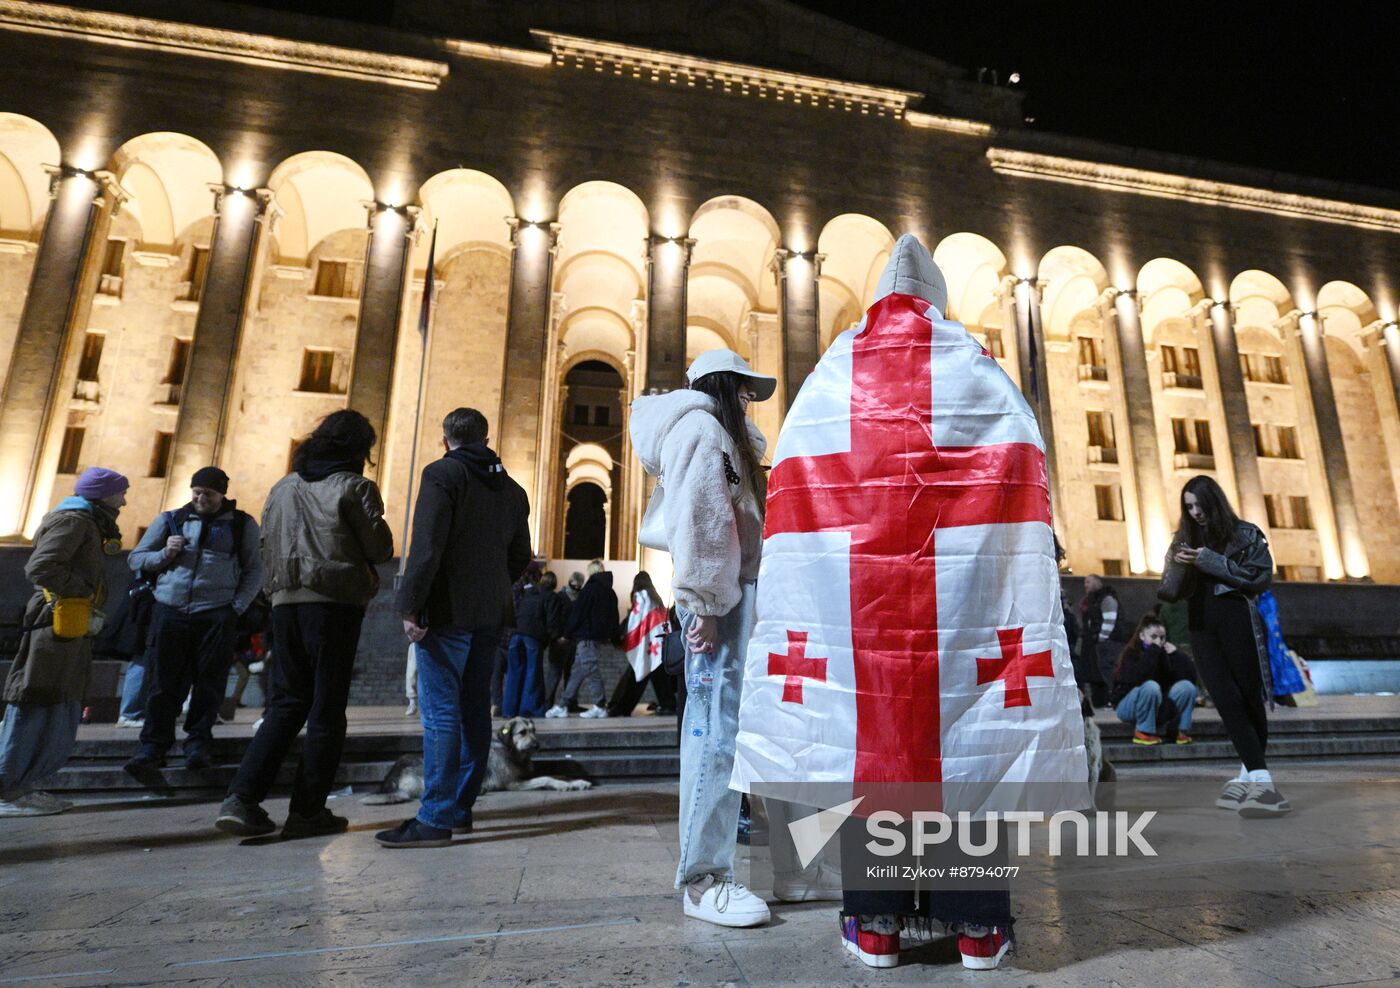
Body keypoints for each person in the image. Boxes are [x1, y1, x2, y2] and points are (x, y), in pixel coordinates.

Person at [729, 236, 1089, 969]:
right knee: (968, 739)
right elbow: (1022, 469)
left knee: (876, 740)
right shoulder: (975, 367)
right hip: (964, 604)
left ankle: (877, 924)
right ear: (937, 297)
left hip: (859, 611)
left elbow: (797, 491)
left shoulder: (833, 374)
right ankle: (978, 927)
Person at [630, 346, 776, 928]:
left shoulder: (717, 435)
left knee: (725, 732)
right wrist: (705, 606)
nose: (749, 400)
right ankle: (702, 879)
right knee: (715, 734)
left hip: (732, 599)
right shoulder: (701, 431)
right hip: (720, 603)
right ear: (722, 385)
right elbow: (702, 522)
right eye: (743, 388)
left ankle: (717, 869)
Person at [217, 410, 394, 837]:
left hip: (284, 602)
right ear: (358, 449)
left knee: (286, 702)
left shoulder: (283, 487)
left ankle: (241, 799)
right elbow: (380, 547)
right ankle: (308, 810)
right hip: (333, 602)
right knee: (327, 708)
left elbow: (264, 542)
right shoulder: (354, 487)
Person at [376, 407, 531, 848]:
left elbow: (426, 547)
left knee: (442, 714)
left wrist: (411, 605)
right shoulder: (513, 489)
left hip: (446, 613)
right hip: (491, 614)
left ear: (446, 440)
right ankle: (461, 809)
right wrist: (494, 584)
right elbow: (522, 553)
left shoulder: (442, 475)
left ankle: (435, 818)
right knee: (474, 711)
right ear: (485, 438)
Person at [0, 467, 128, 816]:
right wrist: (81, 592)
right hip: (56, 622)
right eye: (120, 492)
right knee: (36, 696)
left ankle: (26, 784)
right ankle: (8, 788)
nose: (125, 500)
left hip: (70, 624)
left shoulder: (88, 522)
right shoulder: (74, 521)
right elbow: (40, 567)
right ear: (102, 494)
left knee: (58, 699)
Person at [124, 467, 263, 775]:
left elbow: (256, 568)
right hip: (170, 609)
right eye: (196, 492)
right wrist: (164, 554)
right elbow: (136, 558)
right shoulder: (170, 520)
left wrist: (235, 608)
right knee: (163, 682)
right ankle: (153, 746)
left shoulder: (242, 525)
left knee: (209, 682)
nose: (201, 498)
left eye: (208, 494)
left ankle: (197, 743)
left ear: (222, 494)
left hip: (216, 612)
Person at [1159, 475, 1284, 816]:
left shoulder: (1246, 533)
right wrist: (1176, 562)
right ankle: (1256, 778)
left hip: (1236, 619)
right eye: (1188, 507)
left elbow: (1258, 579)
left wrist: (1209, 561)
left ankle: (1255, 778)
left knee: (1247, 694)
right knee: (1224, 696)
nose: (1195, 512)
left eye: (1199, 504)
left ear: (1214, 501)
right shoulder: (1183, 538)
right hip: (1201, 625)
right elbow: (1169, 592)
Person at [1110, 614, 1198, 745]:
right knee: (1150, 686)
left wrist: (1177, 655)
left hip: (1157, 703)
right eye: (1154, 637)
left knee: (1187, 687)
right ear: (1142, 636)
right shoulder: (1131, 654)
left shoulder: (1165, 654)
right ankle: (1143, 732)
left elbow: (1190, 677)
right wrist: (1153, 651)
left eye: (1162, 637)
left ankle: (1178, 731)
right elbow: (1138, 678)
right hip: (1127, 705)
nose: (1158, 641)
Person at [548, 559, 616, 719]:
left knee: (591, 670)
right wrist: (611, 635)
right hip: (597, 637)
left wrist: (567, 633)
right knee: (577, 672)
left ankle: (600, 705)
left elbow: (579, 614)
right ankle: (563, 705)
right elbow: (613, 616)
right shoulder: (609, 591)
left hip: (586, 637)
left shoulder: (590, 590)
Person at [607, 571, 677, 717]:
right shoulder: (655, 598)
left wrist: (623, 636)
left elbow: (634, 621)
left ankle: (622, 707)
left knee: (637, 674)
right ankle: (668, 704)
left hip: (645, 646)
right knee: (658, 677)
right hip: (658, 644)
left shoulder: (640, 597)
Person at [503, 566, 560, 718]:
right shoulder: (548, 597)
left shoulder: (527, 595)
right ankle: (528, 709)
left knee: (514, 673)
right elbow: (551, 622)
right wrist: (552, 638)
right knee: (532, 673)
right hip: (533, 636)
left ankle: (509, 709)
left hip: (516, 634)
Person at [1077, 574, 1122, 706]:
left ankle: (1107, 700)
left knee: (1104, 672)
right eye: (1085, 582)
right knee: (1095, 673)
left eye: (1089, 582)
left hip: (1104, 643)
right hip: (1095, 642)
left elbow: (1109, 620)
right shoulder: (1091, 600)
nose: (1086, 585)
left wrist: (1101, 637)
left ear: (1098, 582)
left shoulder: (1106, 599)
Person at [543, 573, 582, 714]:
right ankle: (548, 704)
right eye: (576, 583)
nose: (577, 586)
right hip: (560, 641)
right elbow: (554, 618)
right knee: (555, 673)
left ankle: (569, 703)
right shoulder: (560, 597)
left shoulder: (575, 598)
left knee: (570, 674)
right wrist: (558, 636)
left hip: (571, 640)